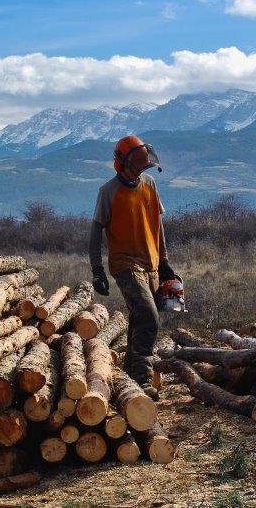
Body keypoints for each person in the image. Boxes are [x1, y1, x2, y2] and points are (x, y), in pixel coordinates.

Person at [88, 135, 178, 399]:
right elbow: (96, 231)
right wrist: (97, 269)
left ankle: (126, 377)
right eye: (136, 166)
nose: (140, 170)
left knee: (140, 318)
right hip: (125, 265)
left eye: (143, 166)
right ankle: (142, 377)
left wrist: (164, 262)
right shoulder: (108, 191)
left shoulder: (149, 184)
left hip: (151, 263)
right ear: (122, 164)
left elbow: (158, 225)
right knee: (149, 315)